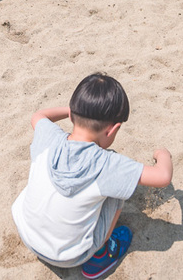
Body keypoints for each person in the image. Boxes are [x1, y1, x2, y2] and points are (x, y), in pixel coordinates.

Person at [12, 74, 173, 279]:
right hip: (68, 256)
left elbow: (39, 115)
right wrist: (163, 155)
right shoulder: (107, 164)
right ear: (113, 130)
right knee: (117, 190)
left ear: (71, 116)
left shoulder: (48, 136)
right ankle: (101, 254)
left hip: (26, 233)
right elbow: (163, 176)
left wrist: (74, 110)